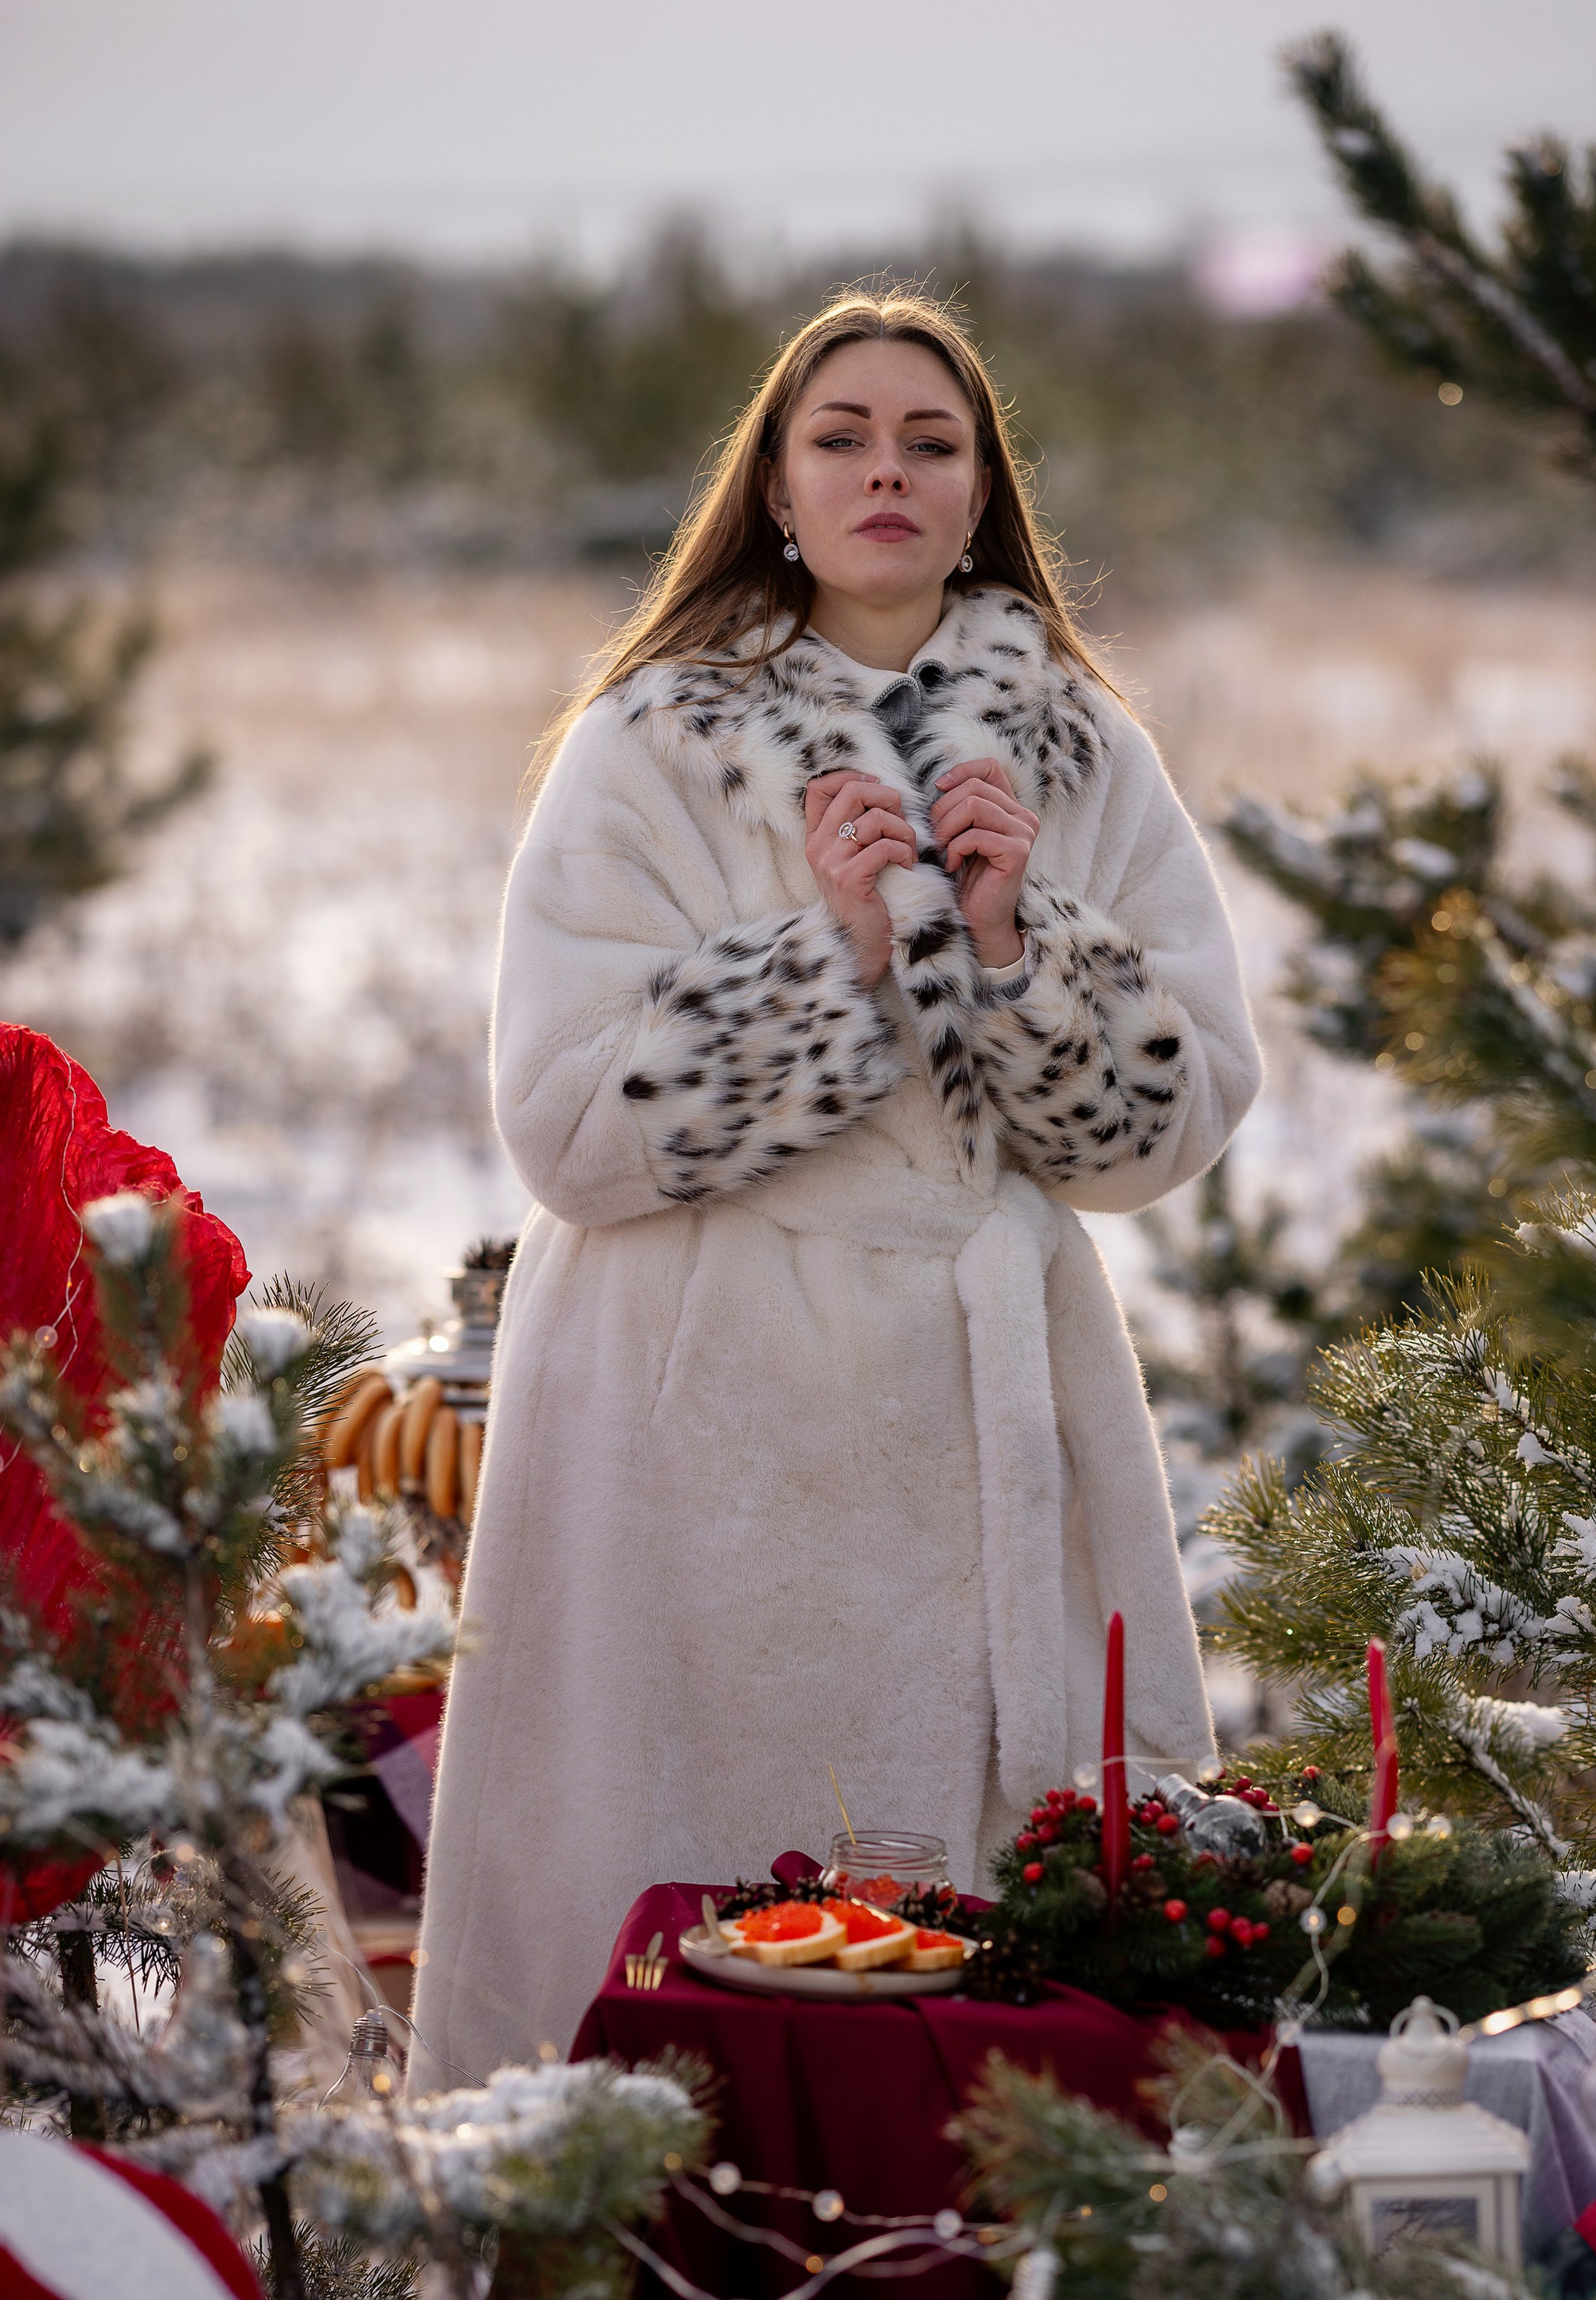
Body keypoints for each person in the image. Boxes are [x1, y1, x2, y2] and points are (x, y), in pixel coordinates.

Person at [407, 289, 1260, 2090]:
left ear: (978, 492)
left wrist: (1027, 945)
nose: (888, 468)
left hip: (989, 1408)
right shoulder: (650, 738)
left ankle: (990, 2295)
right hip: (695, 1412)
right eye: (843, 436)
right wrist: (835, 958)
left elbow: (1166, 1131)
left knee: (989, 1941)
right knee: (696, 1908)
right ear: (775, 491)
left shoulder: (1084, 751)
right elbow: (563, 1121)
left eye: (930, 442)